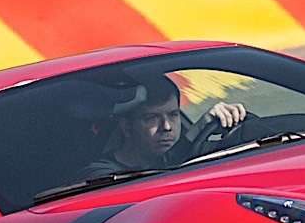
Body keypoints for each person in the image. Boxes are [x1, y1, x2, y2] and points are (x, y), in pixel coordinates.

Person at [81, 73, 245, 178]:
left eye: (173, 115)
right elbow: (151, 180)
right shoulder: (100, 174)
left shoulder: (178, 155)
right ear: (126, 127)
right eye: (151, 118)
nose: (167, 126)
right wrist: (196, 129)